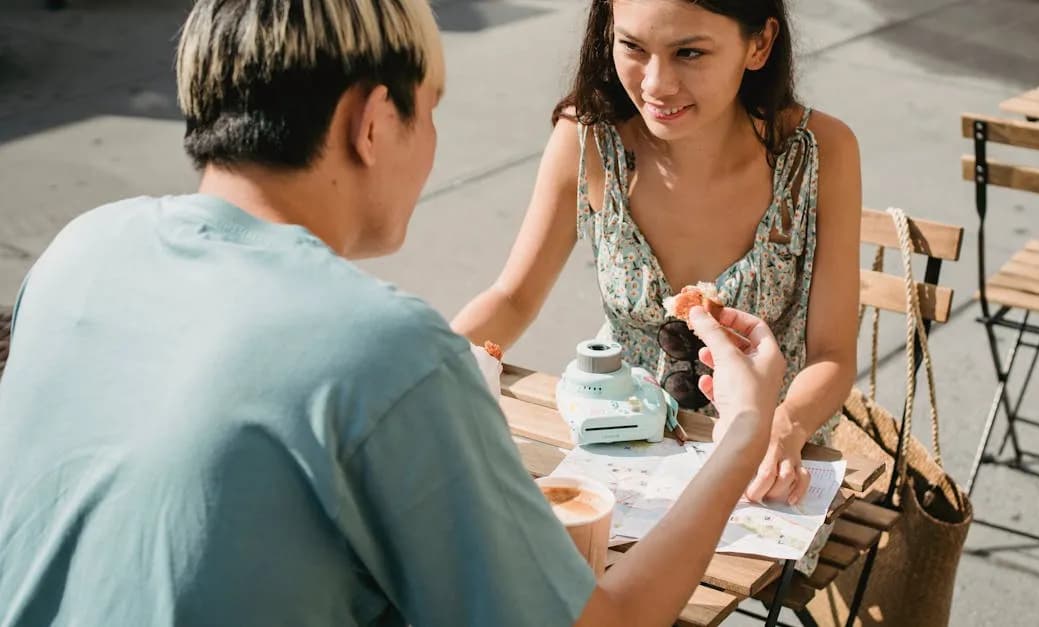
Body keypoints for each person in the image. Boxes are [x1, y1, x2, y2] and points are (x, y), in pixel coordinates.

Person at [0, 1, 789, 626]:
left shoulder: (82, 249)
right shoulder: (382, 348)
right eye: (430, 109)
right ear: (374, 121)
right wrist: (745, 430)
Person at [453, 0, 862, 575]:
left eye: (689, 52)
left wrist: (784, 427)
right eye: (633, 48)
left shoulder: (821, 152)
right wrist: (423, 372)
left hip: (766, 461)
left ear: (759, 45)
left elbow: (832, 355)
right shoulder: (588, 136)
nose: (656, 84)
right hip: (619, 445)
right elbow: (513, 298)